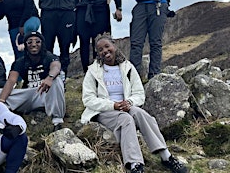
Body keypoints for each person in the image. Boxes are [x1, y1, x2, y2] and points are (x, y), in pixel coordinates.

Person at [80, 34, 187, 173]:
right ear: (98, 53)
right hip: (103, 112)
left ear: (114, 46)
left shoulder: (127, 67)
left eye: (107, 46)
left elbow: (139, 93)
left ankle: (166, 156)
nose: (105, 51)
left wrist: (129, 102)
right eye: (100, 49)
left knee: (141, 114)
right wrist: (113, 105)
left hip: (125, 107)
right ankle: (135, 164)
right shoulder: (92, 71)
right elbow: (88, 99)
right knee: (126, 119)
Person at [0, 31, 66, 131]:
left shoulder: (49, 57)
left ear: (42, 44)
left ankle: (57, 120)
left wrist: (50, 77)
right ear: (25, 45)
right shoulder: (20, 62)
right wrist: (1, 101)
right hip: (29, 95)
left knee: (56, 81)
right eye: (30, 42)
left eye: (37, 42)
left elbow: (56, 67)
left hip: (45, 95)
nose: (34, 44)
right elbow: (11, 81)